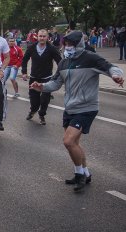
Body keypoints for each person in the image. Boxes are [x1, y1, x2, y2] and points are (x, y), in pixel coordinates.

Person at [29, 31, 124, 192]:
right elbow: (55, 83)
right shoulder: (64, 63)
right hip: (70, 108)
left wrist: (116, 76)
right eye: (66, 44)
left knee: (68, 141)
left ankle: (80, 175)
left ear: (79, 44)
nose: (68, 47)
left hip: (87, 107)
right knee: (74, 144)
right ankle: (84, 173)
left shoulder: (90, 58)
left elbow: (111, 68)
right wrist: (42, 87)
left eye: (72, 44)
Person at [21, 29, 61, 125]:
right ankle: (33, 111)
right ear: (37, 37)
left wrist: (58, 75)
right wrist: (24, 72)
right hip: (34, 77)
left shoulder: (51, 49)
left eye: (44, 36)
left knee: (45, 100)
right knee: (34, 100)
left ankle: (42, 115)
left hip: (47, 79)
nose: (42, 38)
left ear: (47, 37)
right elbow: (25, 59)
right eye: (40, 36)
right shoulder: (32, 47)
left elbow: (60, 62)